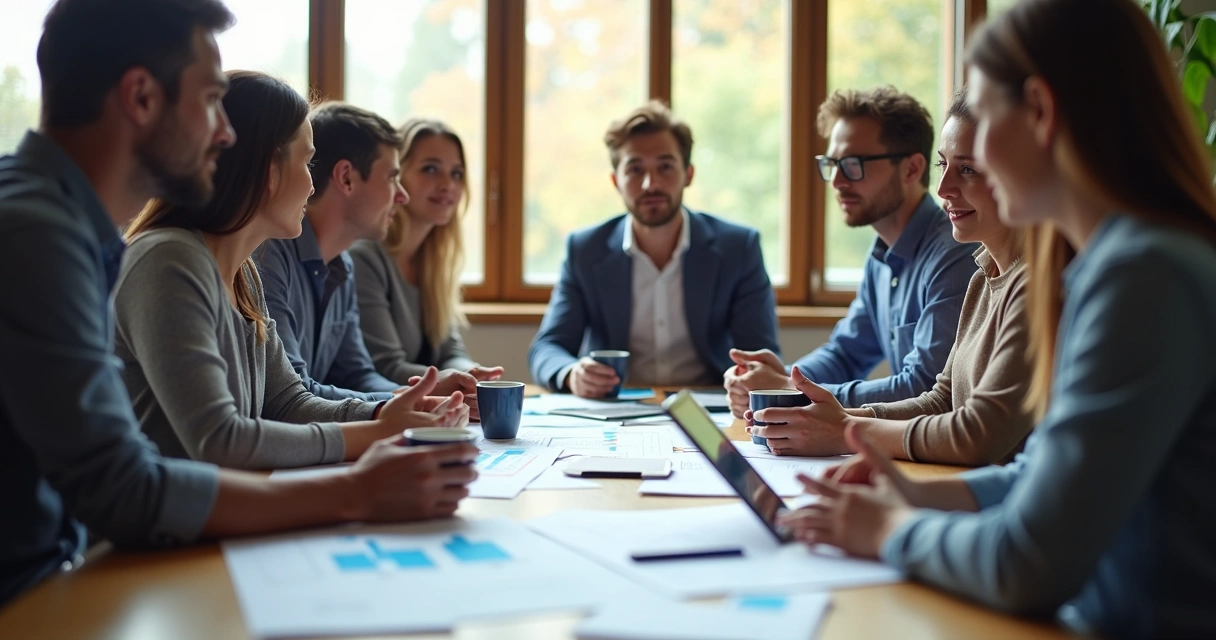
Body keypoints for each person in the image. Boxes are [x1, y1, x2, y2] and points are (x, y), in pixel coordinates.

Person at [0, 0, 475, 608]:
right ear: (141, 97)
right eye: (207, 102)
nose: (224, 133)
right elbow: (123, 485)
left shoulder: (77, 234)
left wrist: (382, 427)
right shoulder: (40, 235)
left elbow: (283, 401)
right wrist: (355, 490)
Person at [782, 1, 1216, 636]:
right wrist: (915, 495)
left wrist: (890, 530)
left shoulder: (1143, 274)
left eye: (981, 128)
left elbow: (1030, 564)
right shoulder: (1113, 262)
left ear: (1039, 112)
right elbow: (1040, 472)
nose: (955, 175)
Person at [115, 72, 469, 470]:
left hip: (219, 514)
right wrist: (377, 433)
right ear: (269, 169)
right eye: (308, 162)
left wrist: (386, 416)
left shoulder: (243, 275)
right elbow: (220, 440)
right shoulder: (168, 260)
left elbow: (287, 402)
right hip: (169, 527)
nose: (313, 186)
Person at [749, 91, 1036, 465]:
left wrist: (842, 429)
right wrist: (803, 398)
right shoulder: (982, 277)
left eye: (967, 169)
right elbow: (940, 398)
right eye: (944, 165)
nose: (943, 189)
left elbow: (975, 432)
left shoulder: (1017, 279)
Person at [723, 87, 977, 416]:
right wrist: (783, 380)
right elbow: (846, 353)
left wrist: (790, 390)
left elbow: (924, 388)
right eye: (833, 164)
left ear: (912, 169)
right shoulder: (882, 255)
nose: (837, 181)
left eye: (854, 164)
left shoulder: (954, 253)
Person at [528, 100, 780, 397]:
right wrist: (572, 374)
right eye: (635, 169)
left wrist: (748, 382)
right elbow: (547, 348)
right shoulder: (586, 250)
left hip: (711, 407)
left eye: (665, 167)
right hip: (615, 409)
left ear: (688, 174)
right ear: (615, 181)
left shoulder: (738, 248)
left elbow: (760, 355)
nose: (651, 184)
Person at [254, 102, 409, 403]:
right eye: (392, 177)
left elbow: (355, 374)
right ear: (346, 178)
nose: (403, 196)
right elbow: (290, 396)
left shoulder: (342, 265)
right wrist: (398, 404)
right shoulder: (267, 255)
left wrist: (415, 395)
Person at [350, 118, 503, 412]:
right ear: (397, 176)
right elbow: (385, 366)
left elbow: (451, 350)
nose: (447, 185)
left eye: (456, 173)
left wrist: (469, 374)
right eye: (430, 169)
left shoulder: (435, 264)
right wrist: (447, 380)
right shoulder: (365, 258)